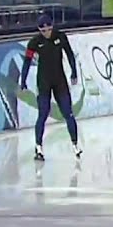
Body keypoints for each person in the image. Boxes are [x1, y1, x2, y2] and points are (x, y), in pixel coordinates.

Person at [19, 13, 81, 161]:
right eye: (43, 30)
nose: (46, 32)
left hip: (59, 80)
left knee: (68, 113)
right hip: (44, 82)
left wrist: (74, 72)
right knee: (43, 114)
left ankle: (75, 144)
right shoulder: (34, 42)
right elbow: (27, 62)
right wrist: (23, 80)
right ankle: (38, 148)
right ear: (39, 30)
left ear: (52, 27)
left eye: (48, 29)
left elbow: (70, 55)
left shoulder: (61, 37)